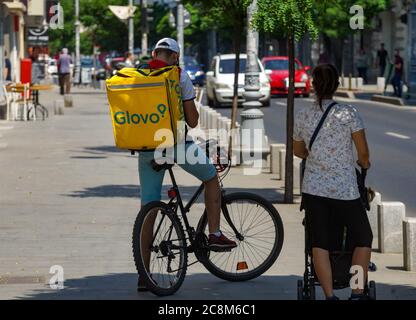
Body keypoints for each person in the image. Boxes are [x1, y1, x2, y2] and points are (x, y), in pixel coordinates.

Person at [137, 38, 237, 290]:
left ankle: (144, 273)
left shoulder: (138, 74)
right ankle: (214, 234)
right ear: (174, 57)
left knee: (148, 207)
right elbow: (192, 121)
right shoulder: (178, 77)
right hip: (177, 146)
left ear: (154, 54)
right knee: (211, 176)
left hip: (146, 148)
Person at [293, 64, 373, 300]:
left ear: (313, 85)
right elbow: (364, 154)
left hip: (314, 190)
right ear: (337, 85)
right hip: (345, 190)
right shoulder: (349, 114)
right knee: (363, 238)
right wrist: (364, 164)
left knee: (320, 243)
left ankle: (329, 296)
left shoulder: (303, 115)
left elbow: (299, 151)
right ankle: (357, 291)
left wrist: (315, 156)